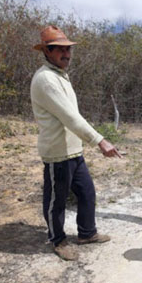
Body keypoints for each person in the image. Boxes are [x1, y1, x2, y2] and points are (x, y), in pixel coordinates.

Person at [31, 26, 122, 260]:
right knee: (56, 201)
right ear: (47, 52)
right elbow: (70, 118)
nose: (67, 54)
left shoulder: (60, 76)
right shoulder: (46, 79)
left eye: (68, 50)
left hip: (73, 150)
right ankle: (58, 240)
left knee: (87, 193)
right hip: (57, 152)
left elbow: (73, 116)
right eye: (60, 50)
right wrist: (99, 140)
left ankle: (86, 233)